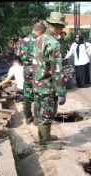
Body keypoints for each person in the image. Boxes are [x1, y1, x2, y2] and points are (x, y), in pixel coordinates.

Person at [32, 12, 67, 150]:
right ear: (58, 27)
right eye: (61, 27)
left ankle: (44, 137)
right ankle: (44, 142)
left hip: (37, 83)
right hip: (47, 85)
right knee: (48, 112)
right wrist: (61, 92)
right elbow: (57, 70)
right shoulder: (54, 43)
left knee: (41, 111)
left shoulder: (39, 39)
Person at [15, 22, 46, 125]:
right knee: (38, 94)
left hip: (26, 70)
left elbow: (18, 55)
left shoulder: (22, 41)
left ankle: (28, 118)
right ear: (40, 31)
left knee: (27, 94)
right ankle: (37, 120)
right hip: (37, 69)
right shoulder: (40, 41)